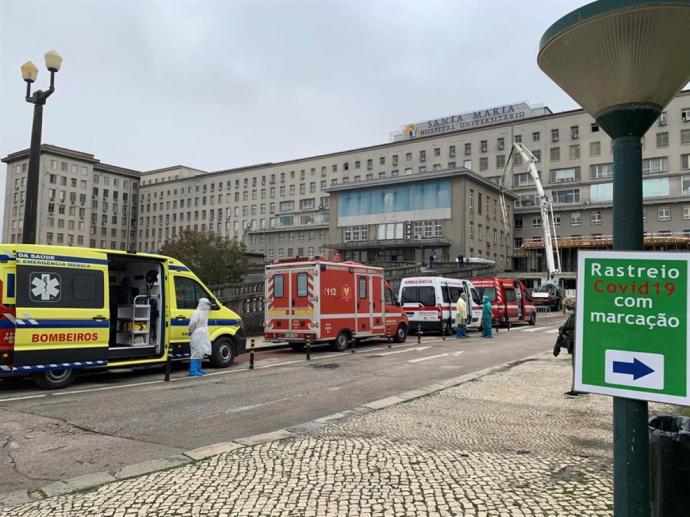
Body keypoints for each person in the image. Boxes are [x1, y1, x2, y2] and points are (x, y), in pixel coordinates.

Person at [554, 296, 580, 397]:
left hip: (576, 344)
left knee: (576, 366)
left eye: (567, 307)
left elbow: (566, 326)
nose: (568, 309)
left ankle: (575, 390)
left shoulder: (575, 315)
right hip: (581, 344)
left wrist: (561, 329)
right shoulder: (580, 312)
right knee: (580, 366)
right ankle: (582, 388)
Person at [188, 298, 213, 377]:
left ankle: (198, 369)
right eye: (207, 304)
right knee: (195, 351)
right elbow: (192, 323)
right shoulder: (196, 313)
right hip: (197, 332)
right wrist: (190, 331)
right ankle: (193, 370)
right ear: (202, 304)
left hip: (203, 333)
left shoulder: (205, 313)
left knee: (201, 351)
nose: (208, 306)